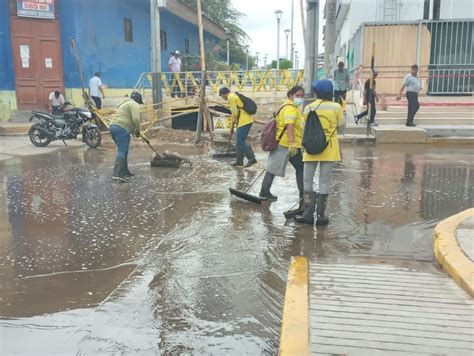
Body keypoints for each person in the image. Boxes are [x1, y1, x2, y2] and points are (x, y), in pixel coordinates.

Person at [295, 80, 345, 226]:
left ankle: (308, 214)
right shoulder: (336, 107)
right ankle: (321, 216)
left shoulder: (309, 107)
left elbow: (304, 128)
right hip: (329, 149)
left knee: (307, 181)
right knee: (324, 181)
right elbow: (341, 128)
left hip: (310, 149)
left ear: (316, 92)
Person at [259, 86, 305, 205]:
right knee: (273, 169)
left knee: (300, 168)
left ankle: (303, 193)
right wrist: (292, 143)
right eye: (297, 95)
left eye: (301, 96)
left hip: (289, 144)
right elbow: (289, 125)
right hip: (286, 144)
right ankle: (264, 192)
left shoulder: (288, 106)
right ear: (290, 95)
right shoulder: (290, 108)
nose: (300, 98)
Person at [219, 87, 257, 168]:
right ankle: (239, 161)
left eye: (221, 96)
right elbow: (234, 112)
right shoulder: (233, 95)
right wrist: (232, 127)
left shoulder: (230, 97)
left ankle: (252, 159)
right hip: (244, 121)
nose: (222, 98)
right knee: (238, 142)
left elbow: (235, 113)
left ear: (224, 94)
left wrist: (233, 123)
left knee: (240, 142)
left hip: (244, 122)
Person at [109, 92, 143, 183]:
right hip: (122, 129)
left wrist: (134, 131)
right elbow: (136, 119)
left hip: (113, 127)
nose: (139, 104)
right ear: (138, 100)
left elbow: (127, 118)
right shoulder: (134, 104)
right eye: (139, 102)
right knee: (122, 151)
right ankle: (117, 175)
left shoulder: (125, 104)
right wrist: (137, 131)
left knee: (124, 150)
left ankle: (124, 172)